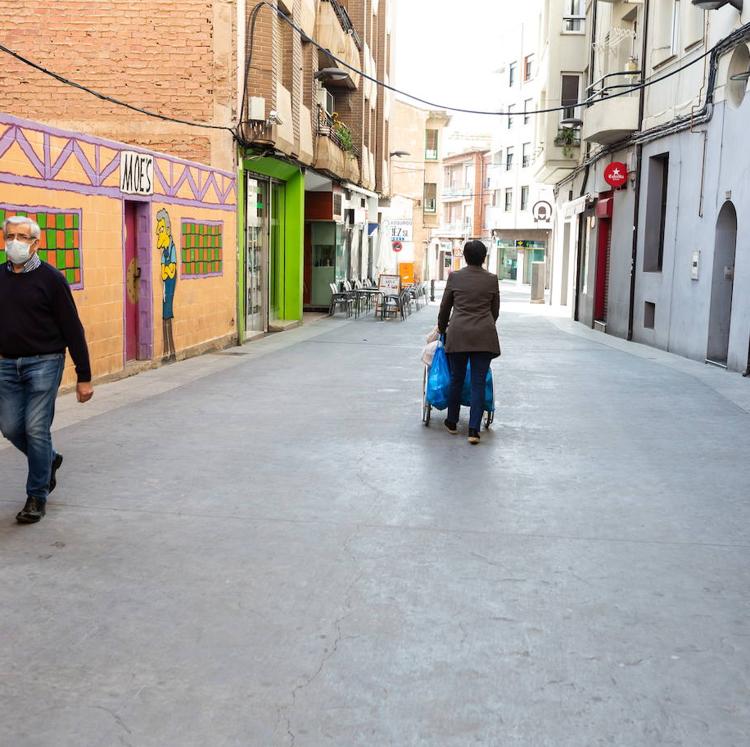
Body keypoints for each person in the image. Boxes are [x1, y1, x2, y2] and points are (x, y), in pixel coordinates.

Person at [0, 215, 93, 524]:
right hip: (5, 364)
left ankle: (36, 495)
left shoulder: (51, 279)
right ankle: (49, 460)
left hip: (45, 361)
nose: (15, 242)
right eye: (10, 236)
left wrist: (84, 376)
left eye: (22, 237)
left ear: (36, 243)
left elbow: (72, 328)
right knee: (11, 427)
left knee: (35, 428)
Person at [437, 240, 500, 445]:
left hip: (458, 334)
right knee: (478, 382)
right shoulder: (492, 279)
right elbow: (495, 311)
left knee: (457, 378)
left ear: (464, 256)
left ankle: (452, 422)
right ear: (484, 258)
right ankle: (473, 429)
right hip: (484, 336)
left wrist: (441, 327)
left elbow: (445, 307)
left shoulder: (455, 277)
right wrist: (484, 323)